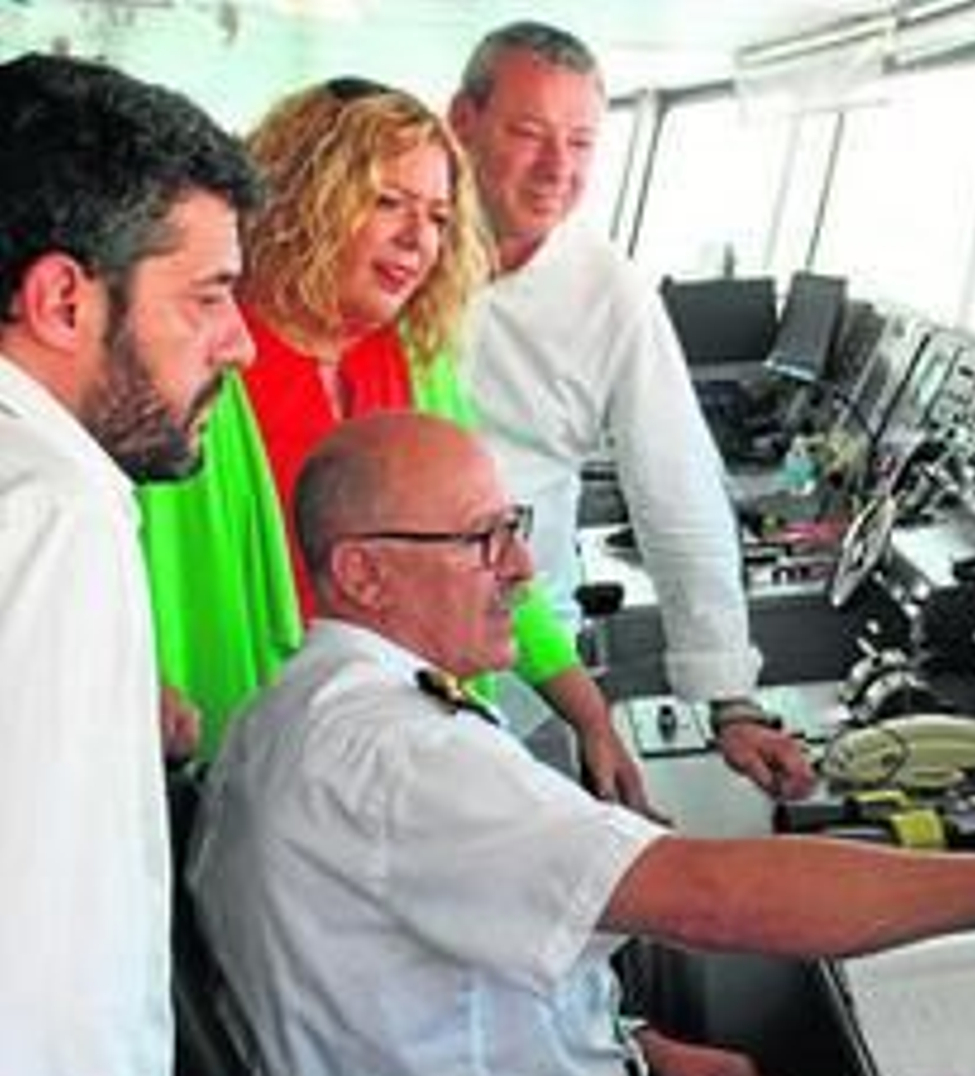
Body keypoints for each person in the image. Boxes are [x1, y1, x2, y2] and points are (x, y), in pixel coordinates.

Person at [189, 412, 975, 1076]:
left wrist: (637, 1046)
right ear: (364, 573)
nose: (521, 567)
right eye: (479, 539)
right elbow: (716, 899)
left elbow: (417, 987)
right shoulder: (407, 757)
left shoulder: (292, 708)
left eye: (513, 527)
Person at [138, 78, 644, 803]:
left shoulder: (419, 363)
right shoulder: (204, 354)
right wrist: (135, 679)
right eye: (387, 203)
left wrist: (589, 715)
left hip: (409, 748)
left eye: (438, 216)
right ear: (305, 197)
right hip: (246, 758)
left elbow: (486, 551)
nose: (418, 239)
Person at [0, 53, 259, 1076]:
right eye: (206, 296)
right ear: (65, 300)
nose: (240, 343)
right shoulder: (53, 513)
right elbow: (29, 1005)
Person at [449, 22, 815, 800]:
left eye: (581, 142)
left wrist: (730, 698)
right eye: (528, 133)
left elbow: (678, 490)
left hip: (524, 648)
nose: (558, 167)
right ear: (463, 121)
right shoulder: (395, 250)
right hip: (370, 630)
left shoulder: (610, 292)